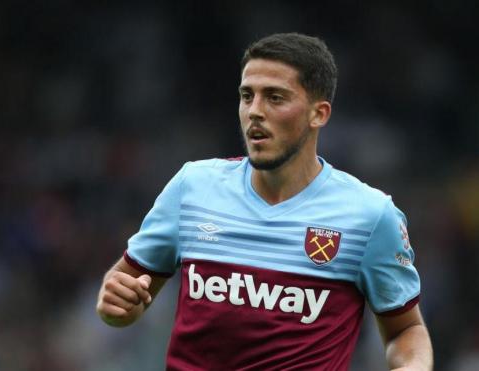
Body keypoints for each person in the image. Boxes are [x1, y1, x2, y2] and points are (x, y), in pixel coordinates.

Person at [96, 32, 433, 370]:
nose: (254, 111)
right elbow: (123, 299)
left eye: (275, 97)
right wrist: (116, 304)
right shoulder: (193, 187)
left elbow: (405, 329)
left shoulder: (369, 215)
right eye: (247, 96)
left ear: (319, 113)